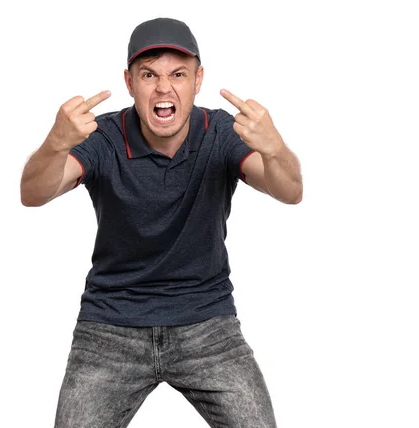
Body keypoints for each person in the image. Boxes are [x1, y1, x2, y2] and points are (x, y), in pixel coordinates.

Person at [20, 16, 302, 428]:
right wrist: (55, 143)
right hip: (110, 326)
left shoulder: (219, 132)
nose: (163, 87)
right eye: (149, 74)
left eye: (178, 74)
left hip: (208, 324)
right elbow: (33, 193)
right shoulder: (104, 137)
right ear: (130, 82)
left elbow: (289, 191)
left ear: (198, 80)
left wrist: (276, 149)